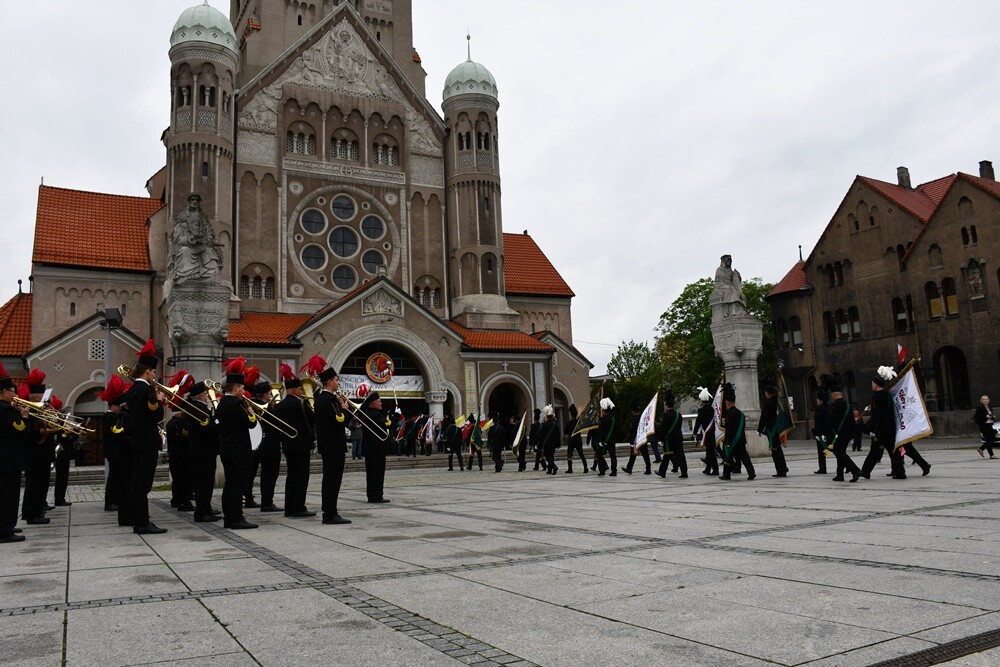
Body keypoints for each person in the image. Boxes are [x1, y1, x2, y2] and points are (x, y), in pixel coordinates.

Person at [125, 339, 167, 534]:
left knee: (137, 482)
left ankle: (138, 520)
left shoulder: (133, 389)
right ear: (148, 371)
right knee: (144, 485)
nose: (155, 375)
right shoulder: (144, 390)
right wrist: (159, 401)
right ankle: (143, 523)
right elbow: (155, 416)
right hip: (147, 441)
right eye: (154, 372)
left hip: (137, 442)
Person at [215, 358, 258, 530]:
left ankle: (229, 517)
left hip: (226, 449)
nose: (244, 390)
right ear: (235, 388)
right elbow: (251, 423)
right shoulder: (237, 404)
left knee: (230, 485)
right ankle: (236, 518)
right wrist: (251, 412)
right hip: (239, 451)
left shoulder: (222, 403)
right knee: (237, 485)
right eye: (242, 388)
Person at [274, 363, 316, 518]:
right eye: (299, 389)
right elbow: (313, 419)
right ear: (292, 390)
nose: (301, 391)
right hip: (302, 445)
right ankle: (298, 507)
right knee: (301, 477)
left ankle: (289, 507)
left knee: (291, 477)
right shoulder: (300, 404)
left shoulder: (280, 406)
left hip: (288, 444)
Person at [313, 362, 351, 525]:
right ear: (329, 382)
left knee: (330, 479)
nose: (338, 383)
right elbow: (339, 421)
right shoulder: (329, 400)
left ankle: (329, 511)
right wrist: (345, 409)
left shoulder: (321, 399)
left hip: (328, 444)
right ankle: (330, 513)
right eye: (336, 380)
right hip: (334, 444)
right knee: (332, 480)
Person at [245, 371, 282, 512]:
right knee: (269, 474)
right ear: (266, 395)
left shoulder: (250, 406)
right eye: (270, 394)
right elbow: (278, 424)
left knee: (250, 473)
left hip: (253, 444)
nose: (271, 396)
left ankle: (248, 499)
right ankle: (267, 502)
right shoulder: (268, 409)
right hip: (270, 446)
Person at [860, 366, 905, 480]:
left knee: (874, 452)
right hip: (889, 428)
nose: (871, 386)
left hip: (881, 430)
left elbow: (877, 415)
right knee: (893, 451)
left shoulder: (877, 397)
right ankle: (900, 472)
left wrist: (868, 428)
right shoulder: (886, 395)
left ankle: (865, 472)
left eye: (872, 384)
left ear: (876, 385)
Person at [0, 362, 28, 543]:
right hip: (8, 461)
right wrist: (23, 416)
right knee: (8, 497)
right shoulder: (6, 410)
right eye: (12, 390)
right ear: (3, 392)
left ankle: (6, 526)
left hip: (5, 460)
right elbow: (20, 432)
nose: (15, 394)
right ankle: (5, 530)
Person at [185, 380, 220, 522]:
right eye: (205, 393)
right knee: (204, 483)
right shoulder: (197, 408)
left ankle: (206, 509)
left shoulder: (196, 407)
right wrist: (218, 425)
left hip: (203, 450)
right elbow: (204, 429)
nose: (207, 395)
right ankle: (202, 512)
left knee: (206, 483)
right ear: (200, 395)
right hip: (203, 451)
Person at [98, 375, 129, 515]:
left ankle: (114, 500)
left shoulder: (111, 417)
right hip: (114, 452)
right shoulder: (110, 417)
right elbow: (117, 433)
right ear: (114, 406)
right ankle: (111, 501)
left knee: (117, 477)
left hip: (115, 452)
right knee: (114, 478)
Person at [825, 378, 861, 483]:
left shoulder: (835, 406)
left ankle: (855, 470)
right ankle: (839, 475)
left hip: (838, 435)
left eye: (832, 395)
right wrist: (853, 435)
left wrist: (827, 434)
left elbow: (830, 421)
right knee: (841, 453)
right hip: (848, 434)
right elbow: (852, 421)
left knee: (839, 453)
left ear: (835, 395)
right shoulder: (848, 405)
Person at [719, 383, 754, 481]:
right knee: (745, 457)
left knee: (728, 457)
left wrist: (726, 440)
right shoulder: (740, 413)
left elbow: (729, 429)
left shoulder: (729, 414)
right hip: (741, 439)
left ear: (728, 403)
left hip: (732, 440)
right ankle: (752, 472)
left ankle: (726, 475)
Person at [361, 391, 390, 503]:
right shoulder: (375, 414)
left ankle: (371, 495)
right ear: (373, 403)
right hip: (377, 448)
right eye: (379, 401)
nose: (381, 403)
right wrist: (396, 417)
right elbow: (387, 424)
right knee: (378, 472)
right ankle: (377, 495)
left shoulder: (365, 414)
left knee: (371, 472)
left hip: (369, 448)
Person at [757, 383, 788, 478]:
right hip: (779, 429)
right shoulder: (778, 402)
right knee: (778, 449)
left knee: (775, 451)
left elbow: (764, 417)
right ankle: (783, 468)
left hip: (772, 430)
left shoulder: (768, 403)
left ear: (767, 393)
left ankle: (781, 470)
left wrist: (759, 429)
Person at [656, 391, 687, 478]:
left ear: (666, 406)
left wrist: (661, 438)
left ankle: (662, 472)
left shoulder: (666, 415)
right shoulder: (679, 415)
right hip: (678, 437)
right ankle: (684, 472)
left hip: (669, 439)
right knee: (681, 456)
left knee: (666, 455)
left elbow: (663, 428)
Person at [693, 387, 717, 476]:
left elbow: (698, 422)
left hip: (707, 433)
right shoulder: (712, 409)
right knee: (709, 451)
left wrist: (695, 432)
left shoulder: (701, 410)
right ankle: (708, 468)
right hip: (712, 432)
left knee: (710, 452)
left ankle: (715, 469)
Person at [623, 400, 651, 475]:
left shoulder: (634, 420)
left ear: (634, 411)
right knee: (645, 454)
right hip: (643, 438)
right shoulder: (643, 418)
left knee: (633, 454)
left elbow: (632, 430)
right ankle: (648, 468)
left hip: (636, 439)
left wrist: (631, 440)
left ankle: (629, 468)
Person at [593, 397, 616, 476]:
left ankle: (602, 470)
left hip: (603, 441)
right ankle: (614, 471)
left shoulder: (602, 419)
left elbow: (601, 431)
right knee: (613, 456)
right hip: (612, 440)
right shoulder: (613, 418)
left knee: (599, 455)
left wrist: (599, 440)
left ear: (603, 410)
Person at [564, 404, 588, 473]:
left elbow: (566, 432)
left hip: (571, 440)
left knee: (569, 455)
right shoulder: (578, 422)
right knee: (581, 454)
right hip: (578, 440)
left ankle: (570, 469)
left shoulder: (569, 423)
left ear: (571, 414)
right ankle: (585, 467)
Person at [812, 387, 831, 475]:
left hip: (821, 434)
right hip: (829, 433)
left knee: (821, 452)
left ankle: (822, 468)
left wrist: (817, 433)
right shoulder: (829, 407)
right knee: (833, 450)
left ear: (820, 400)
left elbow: (818, 423)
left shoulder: (818, 409)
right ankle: (846, 465)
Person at [537, 405, 560, 474]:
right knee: (551, 456)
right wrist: (558, 444)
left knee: (548, 457)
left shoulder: (544, 425)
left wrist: (540, 443)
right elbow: (558, 435)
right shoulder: (555, 424)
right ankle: (550, 470)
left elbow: (541, 435)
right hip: (553, 443)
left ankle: (554, 467)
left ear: (546, 416)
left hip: (546, 443)